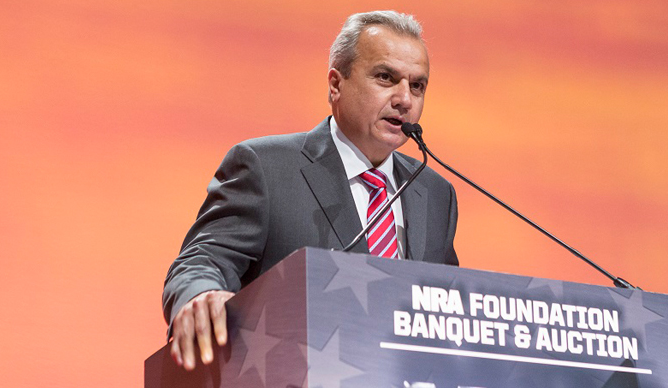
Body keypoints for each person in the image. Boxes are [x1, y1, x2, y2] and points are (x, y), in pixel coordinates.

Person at [162, 10, 459, 371]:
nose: (405, 100)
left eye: (417, 85)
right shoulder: (266, 167)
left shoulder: (434, 192)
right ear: (336, 84)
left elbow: (444, 310)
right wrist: (201, 294)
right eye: (386, 77)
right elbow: (203, 259)